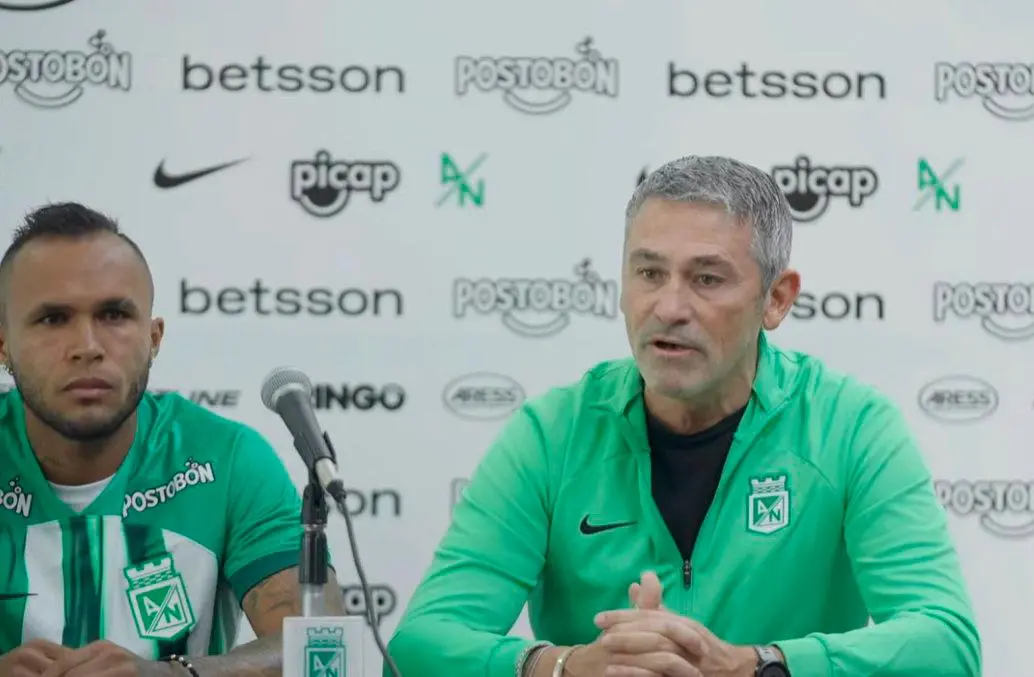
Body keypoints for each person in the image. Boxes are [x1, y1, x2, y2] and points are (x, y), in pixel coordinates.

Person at [386, 156, 981, 677]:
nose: (669, 307)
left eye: (706, 279)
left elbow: (946, 643)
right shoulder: (553, 433)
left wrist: (757, 665)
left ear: (776, 299)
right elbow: (421, 644)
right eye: (649, 273)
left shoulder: (851, 428)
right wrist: (568, 667)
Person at [0, 203, 344, 676]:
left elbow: (330, 647)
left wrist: (167, 674)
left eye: (114, 315)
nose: (87, 346)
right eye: (52, 319)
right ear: (3, 344)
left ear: (154, 337)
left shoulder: (225, 458)